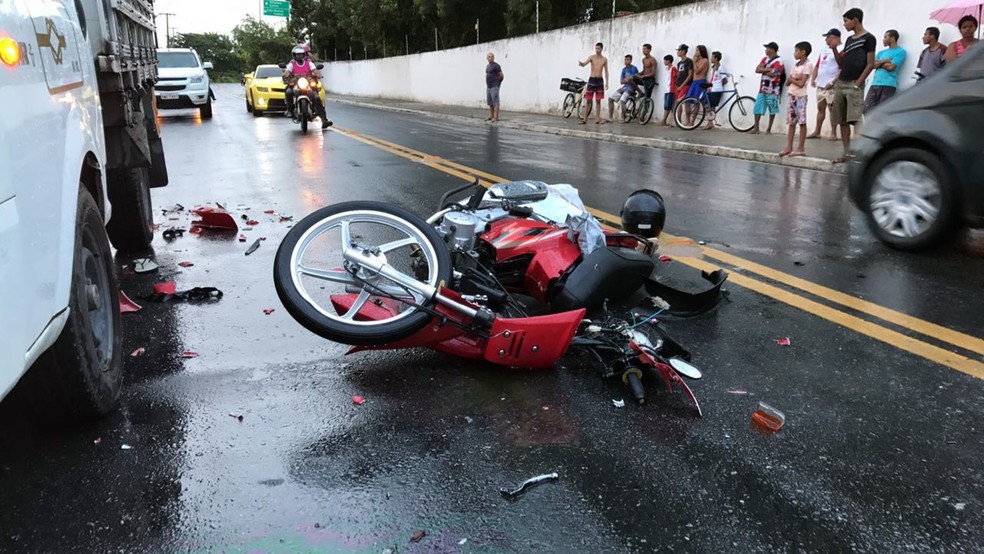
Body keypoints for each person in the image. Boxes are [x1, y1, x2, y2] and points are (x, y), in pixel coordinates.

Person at [831, 7, 875, 162]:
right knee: (842, 121)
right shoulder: (849, 40)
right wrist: (835, 50)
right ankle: (846, 153)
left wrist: (858, 83)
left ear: (855, 19)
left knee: (855, 119)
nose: (844, 24)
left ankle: (858, 152)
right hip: (841, 83)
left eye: (846, 21)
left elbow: (870, 63)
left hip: (854, 84)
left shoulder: (869, 38)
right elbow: (842, 63)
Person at [283, 44, 331, 129]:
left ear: (304, 55)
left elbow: (315, 71)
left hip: (308, 84)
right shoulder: (292, 64)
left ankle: (324, 120)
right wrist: (286, 75)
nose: (299, 56)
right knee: (288, 92)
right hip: (296, 84)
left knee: (316, 97)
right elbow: (287, 72)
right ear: (294, 55)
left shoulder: (309, 63)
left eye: (301, 54)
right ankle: (290, 111)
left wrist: (318, 75)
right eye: (297, 54)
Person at [781, 42, 814, 158]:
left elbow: (801, 83)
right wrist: (794, 78)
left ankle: (801, 147)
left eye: (796, 51)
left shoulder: (808, 65)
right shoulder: (795, 65)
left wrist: (793, 79)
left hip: (801, 96)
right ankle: (789, 147)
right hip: (792, 95)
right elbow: (787, 82)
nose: (795, 53)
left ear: (803, 52)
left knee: (802, 121)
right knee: (791, 122)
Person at [809, 29, 841, 140]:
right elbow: (818, 65)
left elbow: (842, 67)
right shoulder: (823, 50)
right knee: (820, 107)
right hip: (821, 84)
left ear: (834, 37)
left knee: (832, 108)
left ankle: (833, 133)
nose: (826, 40)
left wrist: (833, 81)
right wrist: (813, 78)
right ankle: (817, 131)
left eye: (827, 37)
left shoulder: (841, 49)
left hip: (831, 84)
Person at [865, 30, 906, 113]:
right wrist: (885, 61)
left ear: (892, 38)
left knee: (882, 110)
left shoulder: (900, 52)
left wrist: (879, 62)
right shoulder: (881, 52)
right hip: (875, 83)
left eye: (885, 37)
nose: (883, 39)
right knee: (867, 109)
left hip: (888, 84)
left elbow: (891, 67)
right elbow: (872, 65)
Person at [751, 41, 784, 134]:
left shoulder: (780, 61)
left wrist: (764, 70)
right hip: (763, 88)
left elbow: (775, 73)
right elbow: (757, 69)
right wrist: (769, 69)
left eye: (767, 48)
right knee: (757, 107)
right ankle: (756, 128)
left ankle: (769, 129)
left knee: (772, 109)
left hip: (773, 89)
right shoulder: (765, 59)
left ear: (772, 50)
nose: (766, 50)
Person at [578, 42, 609, 125]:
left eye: (598, 48)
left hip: (599, 81)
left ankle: (597, 119)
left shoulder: (604, 59)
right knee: (588, 100)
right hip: (592, 80)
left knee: (598, 101)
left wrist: (607, 82)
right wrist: (581, 63)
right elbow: (584, 63)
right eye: (596, 48)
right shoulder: (592, 57)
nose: (597, 50)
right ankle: (584, 119)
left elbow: (606, 71)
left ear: (602, 49)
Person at [608, 54, 639, 123]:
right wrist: (626, 80)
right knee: (610, 99)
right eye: (625, 60)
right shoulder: (624, 70)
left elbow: (632, 79)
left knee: (622, 100)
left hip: (631, 88)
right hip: (624, 87)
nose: (626, 61)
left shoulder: (634, 69)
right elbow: (621, 81)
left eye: (627, 60)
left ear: (631, 60)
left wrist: (627, 79)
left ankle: (623, 117)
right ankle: (610, 117)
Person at [673, 44, 694, 124]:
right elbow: (679, 74)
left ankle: (685, 122)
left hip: (685, 85)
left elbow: (690, 75)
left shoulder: (689, 61)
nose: (677, 52)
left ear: (683, 51)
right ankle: (678, 121)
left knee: (681, 102)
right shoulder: (679, 63)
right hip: (678, 85)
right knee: (679, 103)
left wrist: (682, 85)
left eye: (679, 50)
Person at [485, 52, 504, 122]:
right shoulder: (487, 66)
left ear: (493, 58)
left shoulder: (496, 66)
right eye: (489, 57)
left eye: (491, 56)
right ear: (487, 58)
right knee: (490, 102)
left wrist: (498, 82)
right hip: (488, 86)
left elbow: (501, 75)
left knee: (495, 102)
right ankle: (491, 116)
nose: (490, 58)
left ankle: (495, 117)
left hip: (494, 86)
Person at [661, 55, 678, 126]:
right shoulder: (667, 69)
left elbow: (675, 78)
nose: (664, 62)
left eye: (665, 60)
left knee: (668, 105)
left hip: (671, 89)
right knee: (666, 105)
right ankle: (664, 120)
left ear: (668, 60)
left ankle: (664, 120)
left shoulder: (673, 69)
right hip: (667, 89)